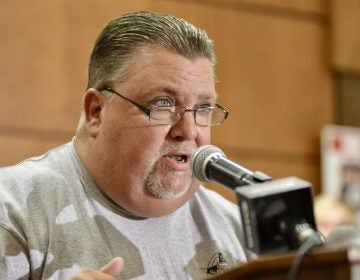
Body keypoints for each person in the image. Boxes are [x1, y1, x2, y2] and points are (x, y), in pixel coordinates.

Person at [0, 11, 248, 279]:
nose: (188, 131)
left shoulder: (235, 226)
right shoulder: (12, 212)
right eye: (162, 104)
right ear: (96, 112)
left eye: (202, 108)